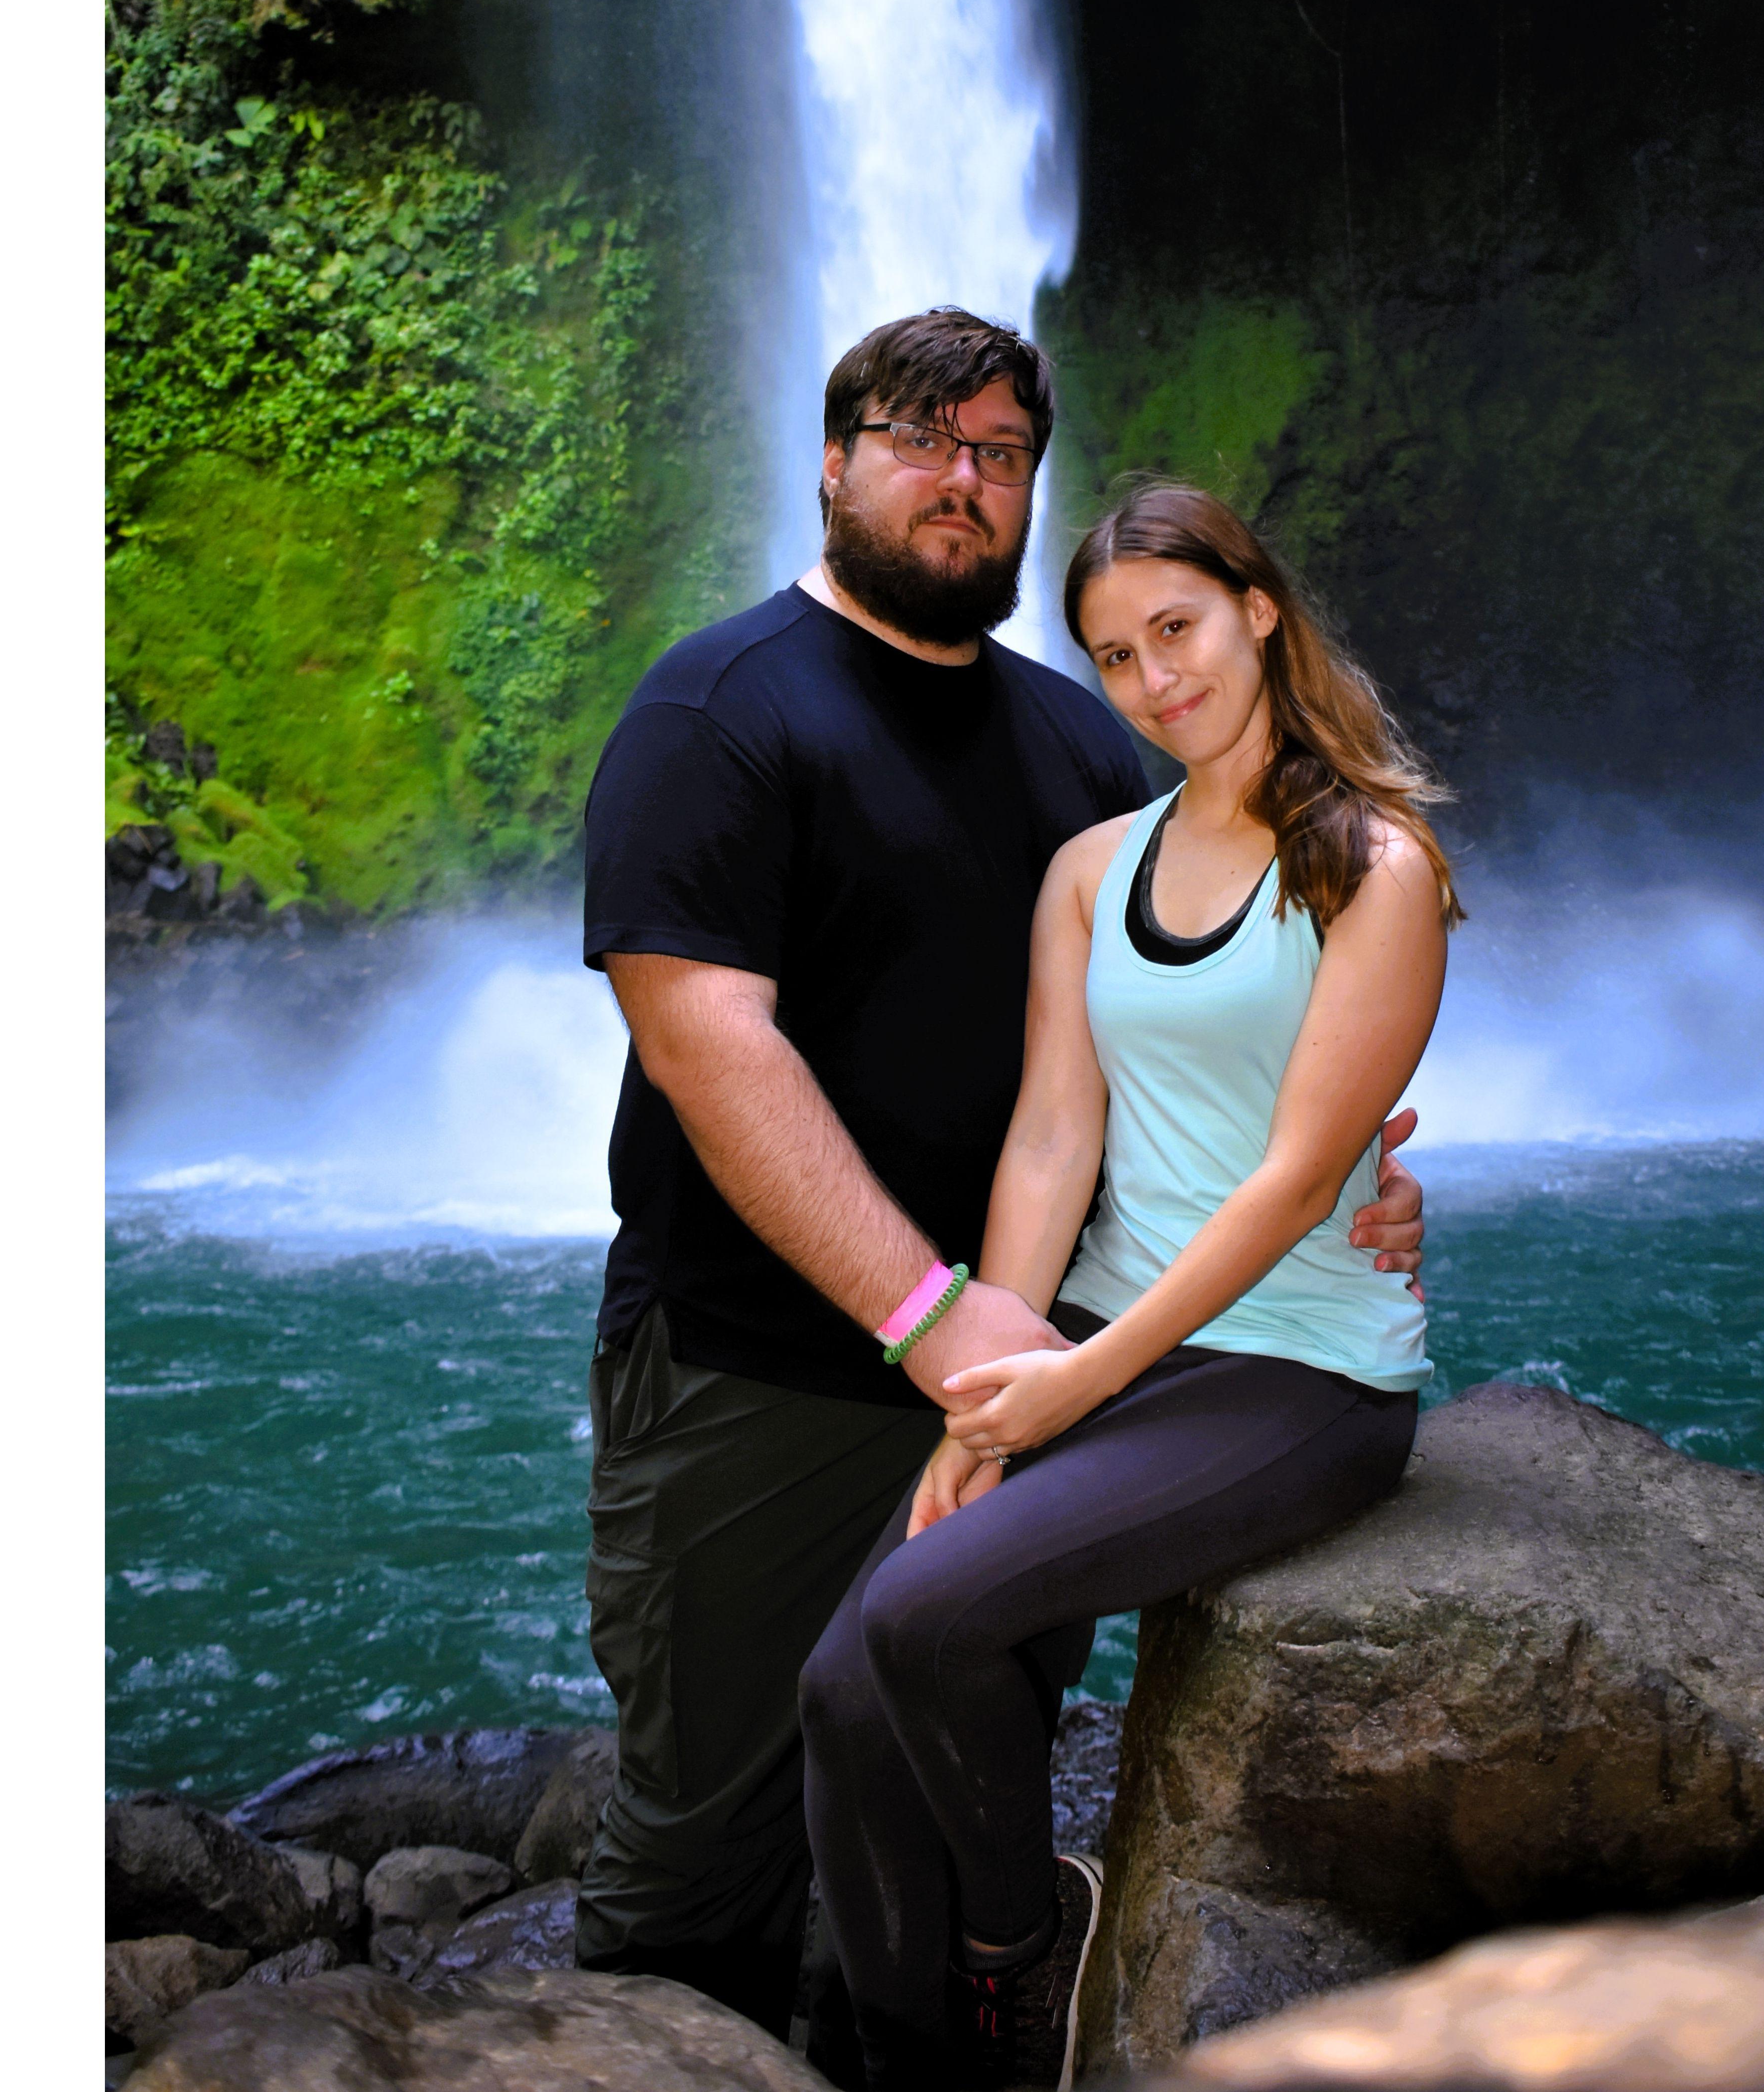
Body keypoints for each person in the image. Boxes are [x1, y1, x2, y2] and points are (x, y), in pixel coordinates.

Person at [570, 313, 1429, 2037]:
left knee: (942, 1728)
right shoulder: (720, 711)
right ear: (833, 463)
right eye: (917, 439)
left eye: (1001, 454)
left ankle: (952, 2020)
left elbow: (1223, 1031)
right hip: (772, 1373)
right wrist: (932, 1321)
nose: (962, 481)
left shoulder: (1084, 750)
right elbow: (708, 1045)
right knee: (704, 1841)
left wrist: (1363, 1179)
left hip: (1042, 1347)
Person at [798, 480, 1466, 2092]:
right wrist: (984, 1389)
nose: (1156, 681)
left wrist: (1078, 1389)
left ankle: (1018, 1960)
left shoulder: (1374, 865)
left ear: (1258, 609)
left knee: (930, 1610)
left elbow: (1302, 1178)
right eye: (1114, 657)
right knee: (841, 1687)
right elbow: (1049, 1139)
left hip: (1298, 1365)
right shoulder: (1093, 870)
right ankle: (913, 2063)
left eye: (1178, 629)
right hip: (1094, 1325)